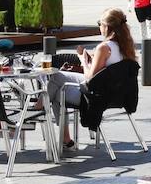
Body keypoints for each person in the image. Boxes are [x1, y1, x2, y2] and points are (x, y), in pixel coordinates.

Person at [47, 9, 137, 145]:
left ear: (107, 26)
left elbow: (90, 78)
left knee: (57, 92)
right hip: (117, 94)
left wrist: (83, 60)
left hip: (97, 96)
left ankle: (39, 106)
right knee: (56, 77)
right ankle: (42, 105)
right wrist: (92, 60)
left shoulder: (104, 48)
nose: (99, 27)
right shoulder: (126, 46)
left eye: (99, 23)